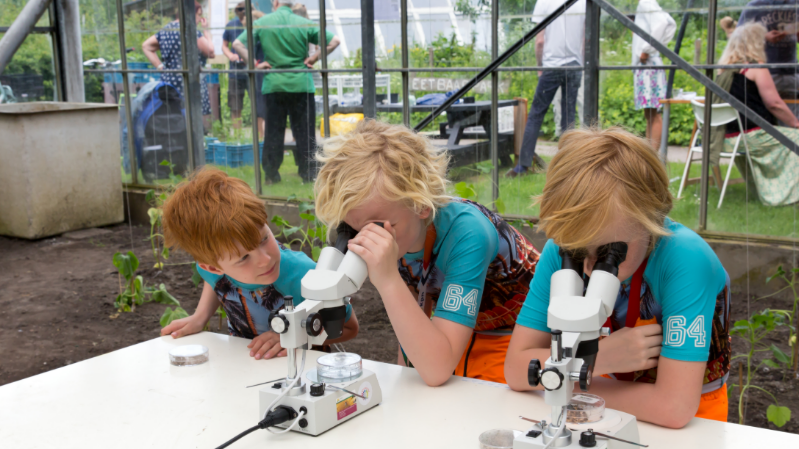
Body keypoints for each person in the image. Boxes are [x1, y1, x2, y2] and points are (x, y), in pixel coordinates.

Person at [504, 127, 732, 428]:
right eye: (576, 248)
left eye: (607, 252)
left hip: (694, 420)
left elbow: (675, 407)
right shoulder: (559, 252)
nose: (587, 267)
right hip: (600, 403)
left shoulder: (685, 259)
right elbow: (515, 369)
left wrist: (563, 377)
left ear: (649, 219)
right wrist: (598, 360)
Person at [315, 120, 540, 386]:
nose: (366, 241)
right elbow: (412, 324)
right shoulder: (401, 227)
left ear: (421, 205)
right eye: (352, 229)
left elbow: (436, 369)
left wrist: (387, 280)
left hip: (518, 337)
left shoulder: (469, 233)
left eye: (376, 228)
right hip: (466, 330)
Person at [159, 168, 359, 359]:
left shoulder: (305, 275)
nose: (265, 259)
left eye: (264, 239)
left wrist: (295, 338)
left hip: (306, 377)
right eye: (244, 258)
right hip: (246, 368)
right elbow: (214, 282)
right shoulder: (213, 271)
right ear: (212, 266)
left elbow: (350, 328)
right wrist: (200, 317)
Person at [233, 1, 340, 185]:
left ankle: (271, 175)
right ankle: (308, 174)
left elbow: (237, 44)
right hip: (301, 84)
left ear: (275, 3)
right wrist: (314, 57)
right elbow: (334, 41)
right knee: (305, 132)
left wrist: (255, 64)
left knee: (273, 132)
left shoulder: (263, 22)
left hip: (274, 85)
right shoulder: (302, 22)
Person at [712, 22, 799, 209]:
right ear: (756, 43)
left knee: (781, 137)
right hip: (751, 136)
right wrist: (797, 124)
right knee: (797, 137)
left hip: (727, 138)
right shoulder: (756, 68)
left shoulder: (724, 70)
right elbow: (774, 104)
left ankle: (774, 191)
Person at [506, 0, 585, 177]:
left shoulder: (544, 2)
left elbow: (540, 40)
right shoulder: (581, 3)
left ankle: (523, 166)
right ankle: (569, 164)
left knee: (536, 114)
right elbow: (584, 38)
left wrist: (539, 67)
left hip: (552, 65)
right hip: (574, 66)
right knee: (568, 116)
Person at [142, 2, 216, 133]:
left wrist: (161, 67)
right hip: (190, 81)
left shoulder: (166, 30)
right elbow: (210, 52)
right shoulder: (191, 30)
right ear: (190, 13)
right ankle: (192, 148)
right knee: (192, 119)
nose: (199, 19)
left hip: (170, 83)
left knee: (173, 119)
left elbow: (146, 46)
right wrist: (206, 31)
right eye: (199, 15)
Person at [738, 0, 799, 125]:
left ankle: (792, 143)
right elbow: (738, 36)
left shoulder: (798, 4)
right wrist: (764, 37)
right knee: (765, 117)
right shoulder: (755, 5)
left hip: (791, 71)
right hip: (764, 71)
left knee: (793, 118)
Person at [632, 0, 676, 151]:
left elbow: (664, 23)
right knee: (649, 113)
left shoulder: (646, 2)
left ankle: (653, 156)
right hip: (647, 65)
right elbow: (670, 23)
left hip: (648, 66)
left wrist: (647, 49)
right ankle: (649, 154)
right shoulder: (646, 3)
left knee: (654, 113)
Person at [222, 3, 267, 137]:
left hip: (255, 73)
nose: (242, 13)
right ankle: (238, 137)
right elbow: (224, 45)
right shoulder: (231, 25)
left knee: (259, 107)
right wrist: (231, 55)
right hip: (236, 72)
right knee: (236, 107)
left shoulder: (256, 24)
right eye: (240, 11)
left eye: (245, 11)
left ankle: (260, 137)